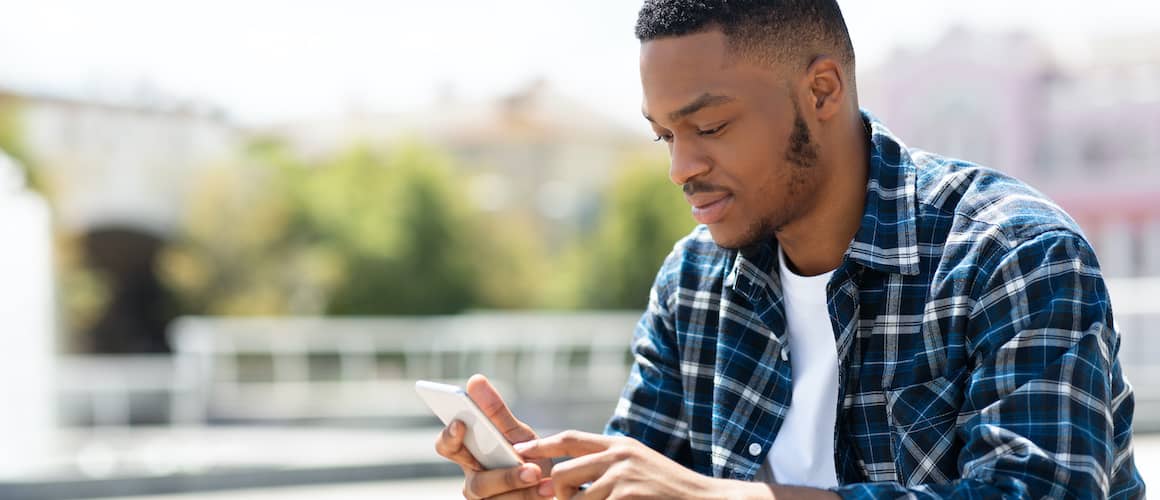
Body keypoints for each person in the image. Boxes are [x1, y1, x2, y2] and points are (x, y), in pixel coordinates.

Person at [435, 1, 1145, 498]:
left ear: (822, 89)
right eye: (664, 135)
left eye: (709, 125)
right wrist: (551, 489)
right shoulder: (694, 284)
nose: (680, 167)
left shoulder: (1012, 256)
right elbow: (651, 483)